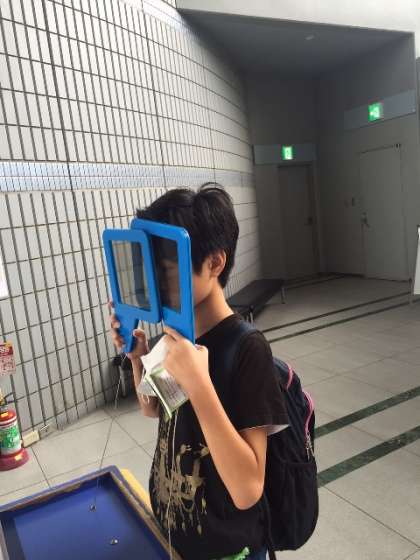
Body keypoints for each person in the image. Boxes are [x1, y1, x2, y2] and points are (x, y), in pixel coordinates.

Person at [109, 184, 288, 560]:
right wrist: (138, 357)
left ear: (215, 263)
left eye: (166, 271)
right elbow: (153, 408)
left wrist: (199, 385)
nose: (155, 285)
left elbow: (248, 489)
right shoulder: (176, 334)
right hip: (174, 537)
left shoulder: (247, 349)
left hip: (227, 551)